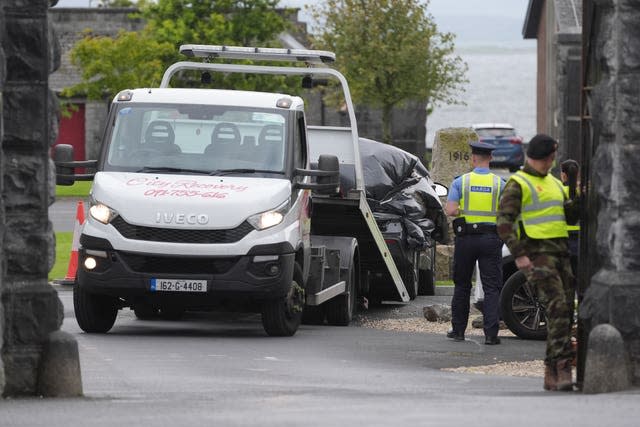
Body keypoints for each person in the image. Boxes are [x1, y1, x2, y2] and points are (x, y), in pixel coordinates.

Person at [496, 134, 579, 391]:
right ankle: (561, 367)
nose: (553, 162)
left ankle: (552, 370)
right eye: (550, 158)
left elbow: (567, 214)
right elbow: (504, 222)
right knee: (556, 308)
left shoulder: (554, 183)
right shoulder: (518, 183)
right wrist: (520, 255)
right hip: (536, 255)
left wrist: (576, 191)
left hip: (560, 253)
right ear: (540, 157)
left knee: (565, 310)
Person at [445, 140, 505, 345]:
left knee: (462, 285)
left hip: (466, 239)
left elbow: (451, 211)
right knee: (491, 287)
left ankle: (459, 331)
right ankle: (491, 335)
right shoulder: (500, 184)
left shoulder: (461, 182)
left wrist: (464, 210)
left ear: (473, 158)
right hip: (490, 238)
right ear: (491, 158)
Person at [560, 159, 580, 275]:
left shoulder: (559, 191)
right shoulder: (583, 191)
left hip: (562, 238)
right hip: (580, 239)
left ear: (563, 175)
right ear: (577, 174)